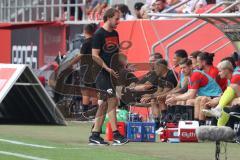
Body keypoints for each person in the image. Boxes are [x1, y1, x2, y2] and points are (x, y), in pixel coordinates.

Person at [89, 8, 129, 146]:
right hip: (101, 72)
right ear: (109, 17)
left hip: (112, 72)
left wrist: (124, 65)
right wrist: (107, 68)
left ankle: (95, 135)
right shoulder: (99, 34)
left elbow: (117, 53)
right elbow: (95, 55)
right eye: (117, 19)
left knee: (105, 104)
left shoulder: (115, 33)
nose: (119, 21)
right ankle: (117, 135)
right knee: (112, 100)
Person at [202, 60, 240, 126]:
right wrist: (218, 99)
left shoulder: (236, 76)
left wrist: (219, 100)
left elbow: (237, 97)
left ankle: (218, 109)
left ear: (226, 70)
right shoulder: (230, 80)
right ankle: (218, 131)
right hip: (235, 102)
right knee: (222, 110)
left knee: (224, 109)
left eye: (220, 71)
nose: (218, 73)